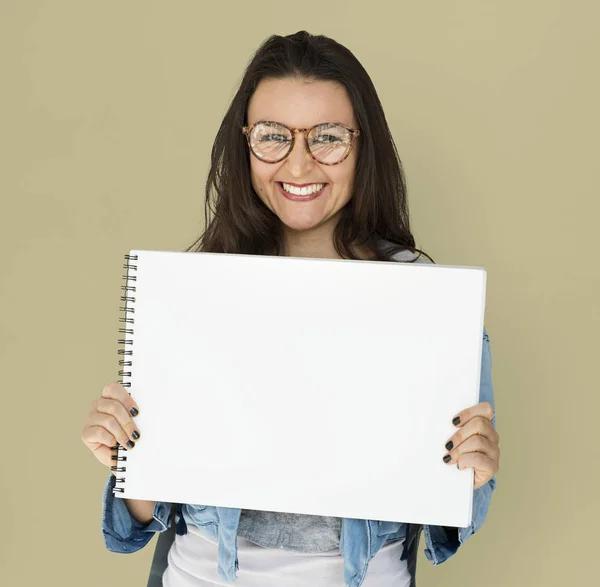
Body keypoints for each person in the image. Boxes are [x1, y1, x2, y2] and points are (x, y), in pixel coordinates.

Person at [81, 30, 500, 587]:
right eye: (273, 136)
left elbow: (450, 517)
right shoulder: (192, 289)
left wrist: (472, 474)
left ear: (363, 144)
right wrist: (127, 454)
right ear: (245, 142)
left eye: (327, 137)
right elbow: (138, 522)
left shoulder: (427, 301)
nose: (299, 165)